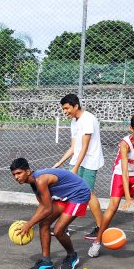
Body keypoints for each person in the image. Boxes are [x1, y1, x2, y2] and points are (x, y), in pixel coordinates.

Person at [88, 113, 134, 260]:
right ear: (131, 128)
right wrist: (127, 197)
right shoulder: (124, 144)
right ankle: (97, 241)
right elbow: (125, 172)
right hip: (121, 173)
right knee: (113, 206)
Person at [9, 157, 92, 269]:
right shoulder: (33, 183)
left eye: (19, 173)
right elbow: (43, 206)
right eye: (14, 174)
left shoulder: (40, 180)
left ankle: (72, 255)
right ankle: (46, 262)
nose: (16, 177)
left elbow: (47, 209)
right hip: (66, 196)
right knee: (44, 223)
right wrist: (31, 223)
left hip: (79, 194)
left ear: (27, 171)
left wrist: (29, 224)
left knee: (58, 230)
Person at [53, 93, 104, 240]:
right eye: (63, 109)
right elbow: (74, 147)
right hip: (77, 160)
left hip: (89, 161)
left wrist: (75, 169)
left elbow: (85, 147)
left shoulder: (88, 119)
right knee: (68, 193)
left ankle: (100, 228)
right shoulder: (74, 122)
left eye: (67, 108)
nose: (65, 112)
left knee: (88, 194)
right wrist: (59, 163)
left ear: (76, 106)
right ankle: (64, 227)